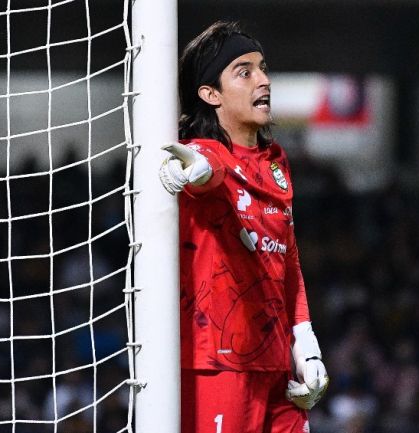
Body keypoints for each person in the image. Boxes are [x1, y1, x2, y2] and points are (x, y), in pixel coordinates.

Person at [158, 21, 329, 433]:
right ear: (210, 93)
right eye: (244, 71)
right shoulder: (203, 153)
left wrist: (304, 342)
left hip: (275, 367)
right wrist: (195, 169)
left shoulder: (276, 163)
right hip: (218, 365)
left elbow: (286, 261)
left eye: (263, 68)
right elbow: (207, 168)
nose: (264, 80)